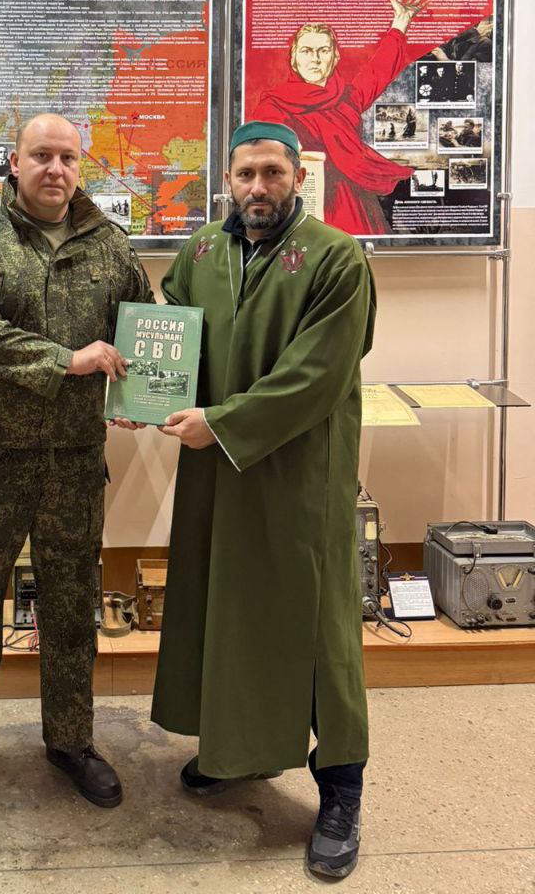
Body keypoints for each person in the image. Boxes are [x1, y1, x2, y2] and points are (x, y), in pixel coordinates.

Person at [150, 120, 375, 881]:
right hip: (218, 473)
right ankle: (240, 749)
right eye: (245, 173)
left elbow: (317, 375)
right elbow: (172, 339)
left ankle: (341, 789)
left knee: (318, 631)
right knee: (233, 609)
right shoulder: (201, 254)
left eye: (272, 173)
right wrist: (147, 395)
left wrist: (221, 423)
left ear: (298, 177)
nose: (258, 187)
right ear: (227, 179)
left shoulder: (337, 258)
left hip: (299, 474)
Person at [0, 112, 153, 818]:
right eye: (41, 156)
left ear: (80, 167)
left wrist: (138, 394)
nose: (55, 169)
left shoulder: (110, 245)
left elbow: (143, 325)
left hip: (74, 465)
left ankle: (72, 742)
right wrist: (67, 361)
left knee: (71, 613)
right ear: (14, 163)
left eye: (68, 158)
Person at [251, 0, 431, 234]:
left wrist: (400, 23)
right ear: (294, 58)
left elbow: (379, 71)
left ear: (335, 57)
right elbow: (268, 149)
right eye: (306, 51)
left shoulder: (347, 97)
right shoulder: (273, 104)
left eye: (323, 51)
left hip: (357, 205)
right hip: (307, 206)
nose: (315, 59)